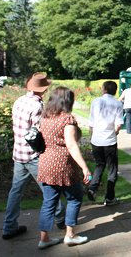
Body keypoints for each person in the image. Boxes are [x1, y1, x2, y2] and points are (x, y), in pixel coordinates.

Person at [2, 73, 65, 240]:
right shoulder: (37, 106)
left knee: (15, 192)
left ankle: (9, 227)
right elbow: (39, 131)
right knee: (50, 188)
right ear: (43, 89)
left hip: (18, 153)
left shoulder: (19, 101)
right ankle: (61, 219)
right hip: (33, 154)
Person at [37, 86, 91, 249]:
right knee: (75, 198)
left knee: (48, 203)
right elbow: (72, 145)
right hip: (63, 166)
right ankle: (70, 235)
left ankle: (44, 239)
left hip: (45, 164)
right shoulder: (67, 119)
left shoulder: (45, 117)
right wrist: (84, 167)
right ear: (68, 101)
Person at [86, 81, 124, 205]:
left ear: (104, 90)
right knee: (112, 169)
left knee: (99, 165)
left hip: (96, 140)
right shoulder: (117, 103)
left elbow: (91, 123)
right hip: (110, 140)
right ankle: (109, 197)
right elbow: (118, 124)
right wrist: (115, 133)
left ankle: (92, 188)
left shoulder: (95, 102)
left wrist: (92, 136)